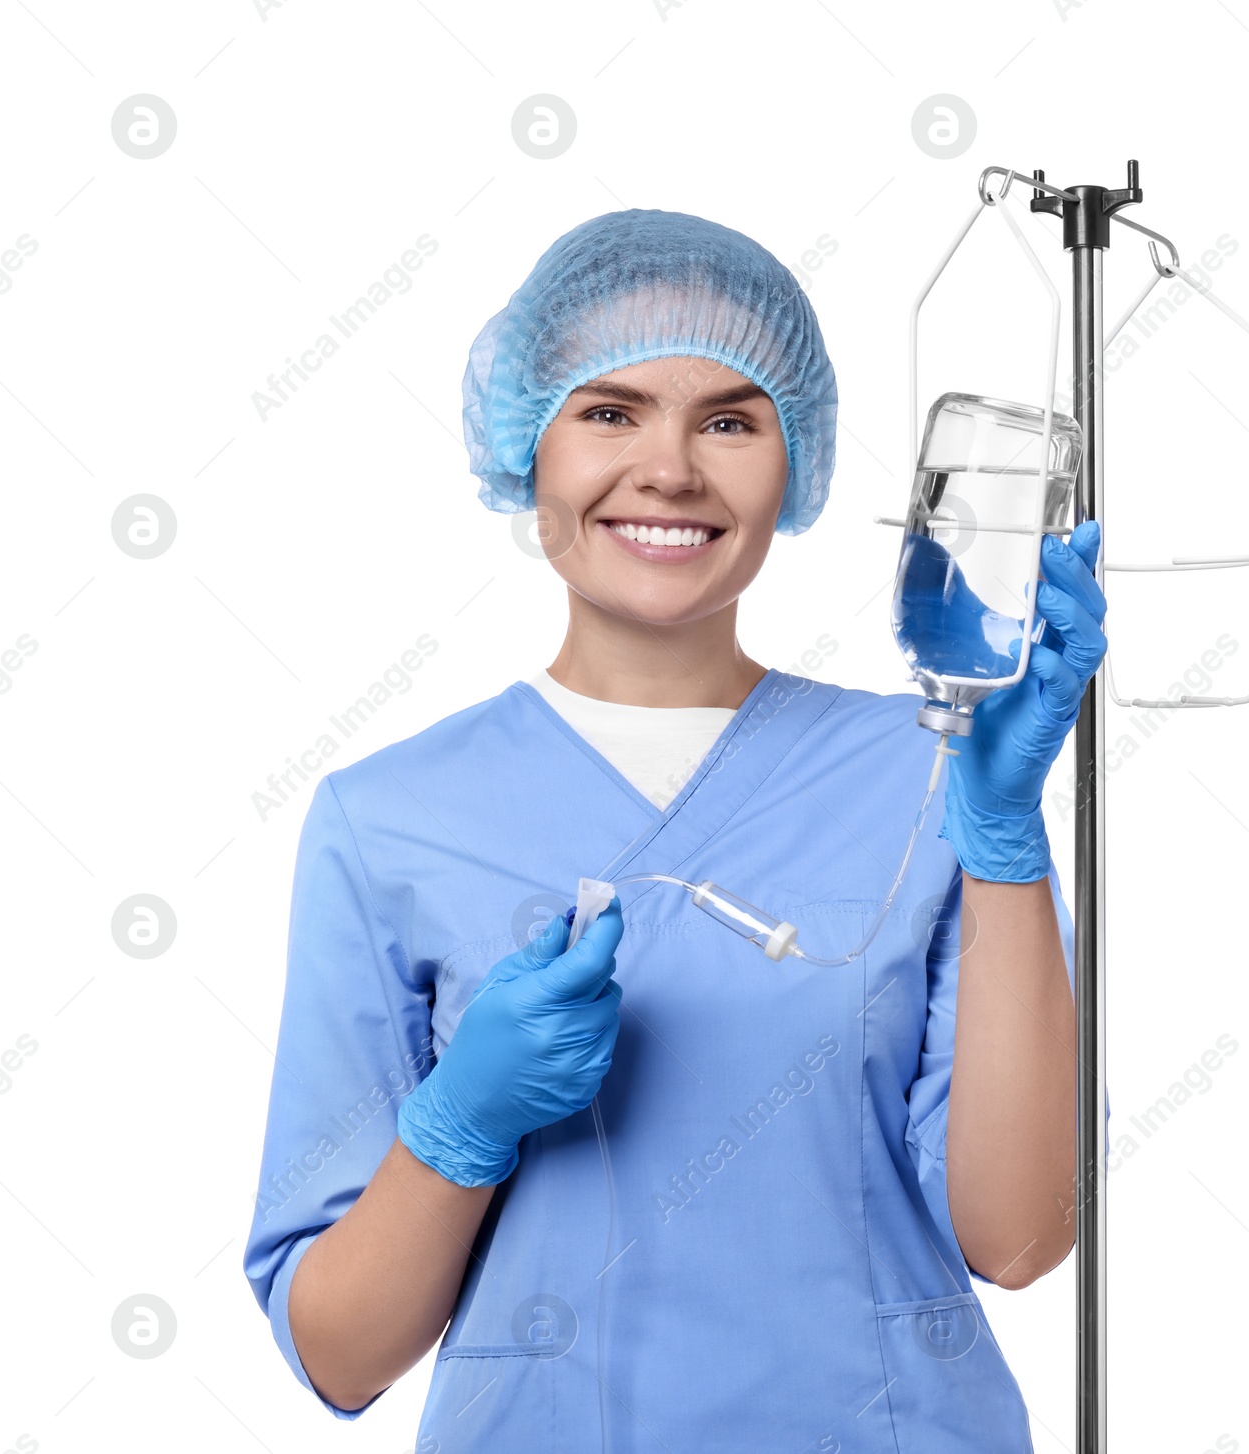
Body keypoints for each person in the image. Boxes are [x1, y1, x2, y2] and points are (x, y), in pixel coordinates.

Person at [243, 207, 1109, 1452]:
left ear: (795, 459)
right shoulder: (387, 820)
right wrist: (458, 1129)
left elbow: (1021, 1240)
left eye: (729, 420)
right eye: (608, 411)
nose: (670, 469)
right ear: (524, 444)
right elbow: (337, 1351)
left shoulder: (933, 775)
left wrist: (1004, 840)